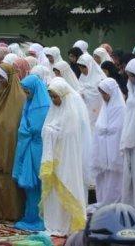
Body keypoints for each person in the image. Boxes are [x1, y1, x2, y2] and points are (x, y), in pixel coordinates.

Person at [41, 77, 87, 235]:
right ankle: (53, 223)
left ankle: (66, 224)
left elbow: (68, 135)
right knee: (53, 194)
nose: (53, 100)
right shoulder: (53, 111)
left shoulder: (71, 113)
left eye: (55, 96)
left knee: (66, 187)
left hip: (66, 160)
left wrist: (51, 131)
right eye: (51, 97)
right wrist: (49, 131)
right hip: (53, 160)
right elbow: (46, 129)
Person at [0, 64, 25, 221]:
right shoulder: (0, 93)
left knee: (9, 182)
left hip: (10, 148)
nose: (0, 81)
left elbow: (12, 124)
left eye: (2, 78)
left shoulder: (19, 98)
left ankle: (12, 214)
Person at [12, 75, 51, 231]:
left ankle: (41, 218)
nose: (26, 94)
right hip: (28, 148)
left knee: (40, 183)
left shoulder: (44, 106)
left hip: (38, 149)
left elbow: (35, 128)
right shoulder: (28, 103)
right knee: (30, 187)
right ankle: (31, 216)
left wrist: (24, 131)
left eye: (27, 91)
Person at [92, 78, 125, 207]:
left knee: (115, 184)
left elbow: (119, 129)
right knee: (103, 182)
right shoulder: (105, 108)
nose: (103, 97)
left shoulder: (121, 109)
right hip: (102, 154)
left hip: (114, 155)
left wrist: (106, 131)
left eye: (105, 93)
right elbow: (100, 127)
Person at [121, 58, 135, 210]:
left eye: (132, 75)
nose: (130, 79)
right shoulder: (132, 94)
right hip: (133, 144)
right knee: (134, 179)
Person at [77, 53, 106, 128]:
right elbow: (79, 88)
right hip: (85, 107)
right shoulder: (82, 77)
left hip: (96, 107)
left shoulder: (99, 78)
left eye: (84, 68)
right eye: (80, 68)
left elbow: (99, 94)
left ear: (89, 66)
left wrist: (85, 93)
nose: (82, 70)